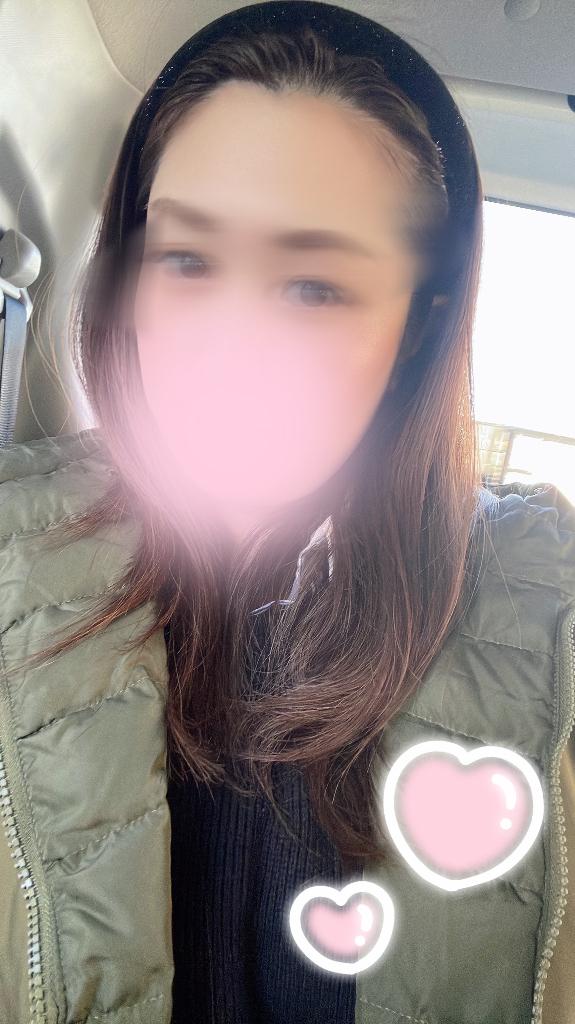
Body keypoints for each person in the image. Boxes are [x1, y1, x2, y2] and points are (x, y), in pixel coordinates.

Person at [0, 3, 573, 1023]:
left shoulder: (548, 636)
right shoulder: (14, 567)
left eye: (313, 286)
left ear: (419, 321)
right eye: (186, 260)